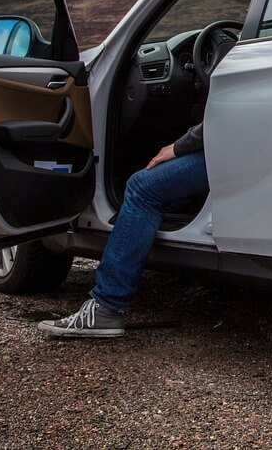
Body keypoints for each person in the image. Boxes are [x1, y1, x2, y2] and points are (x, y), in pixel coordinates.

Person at [37, 122, 207, 337]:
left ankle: (107, 305)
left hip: (226, 151)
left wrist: (178, 147)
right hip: (244, 148)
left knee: (141, 188)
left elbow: (220, 117)